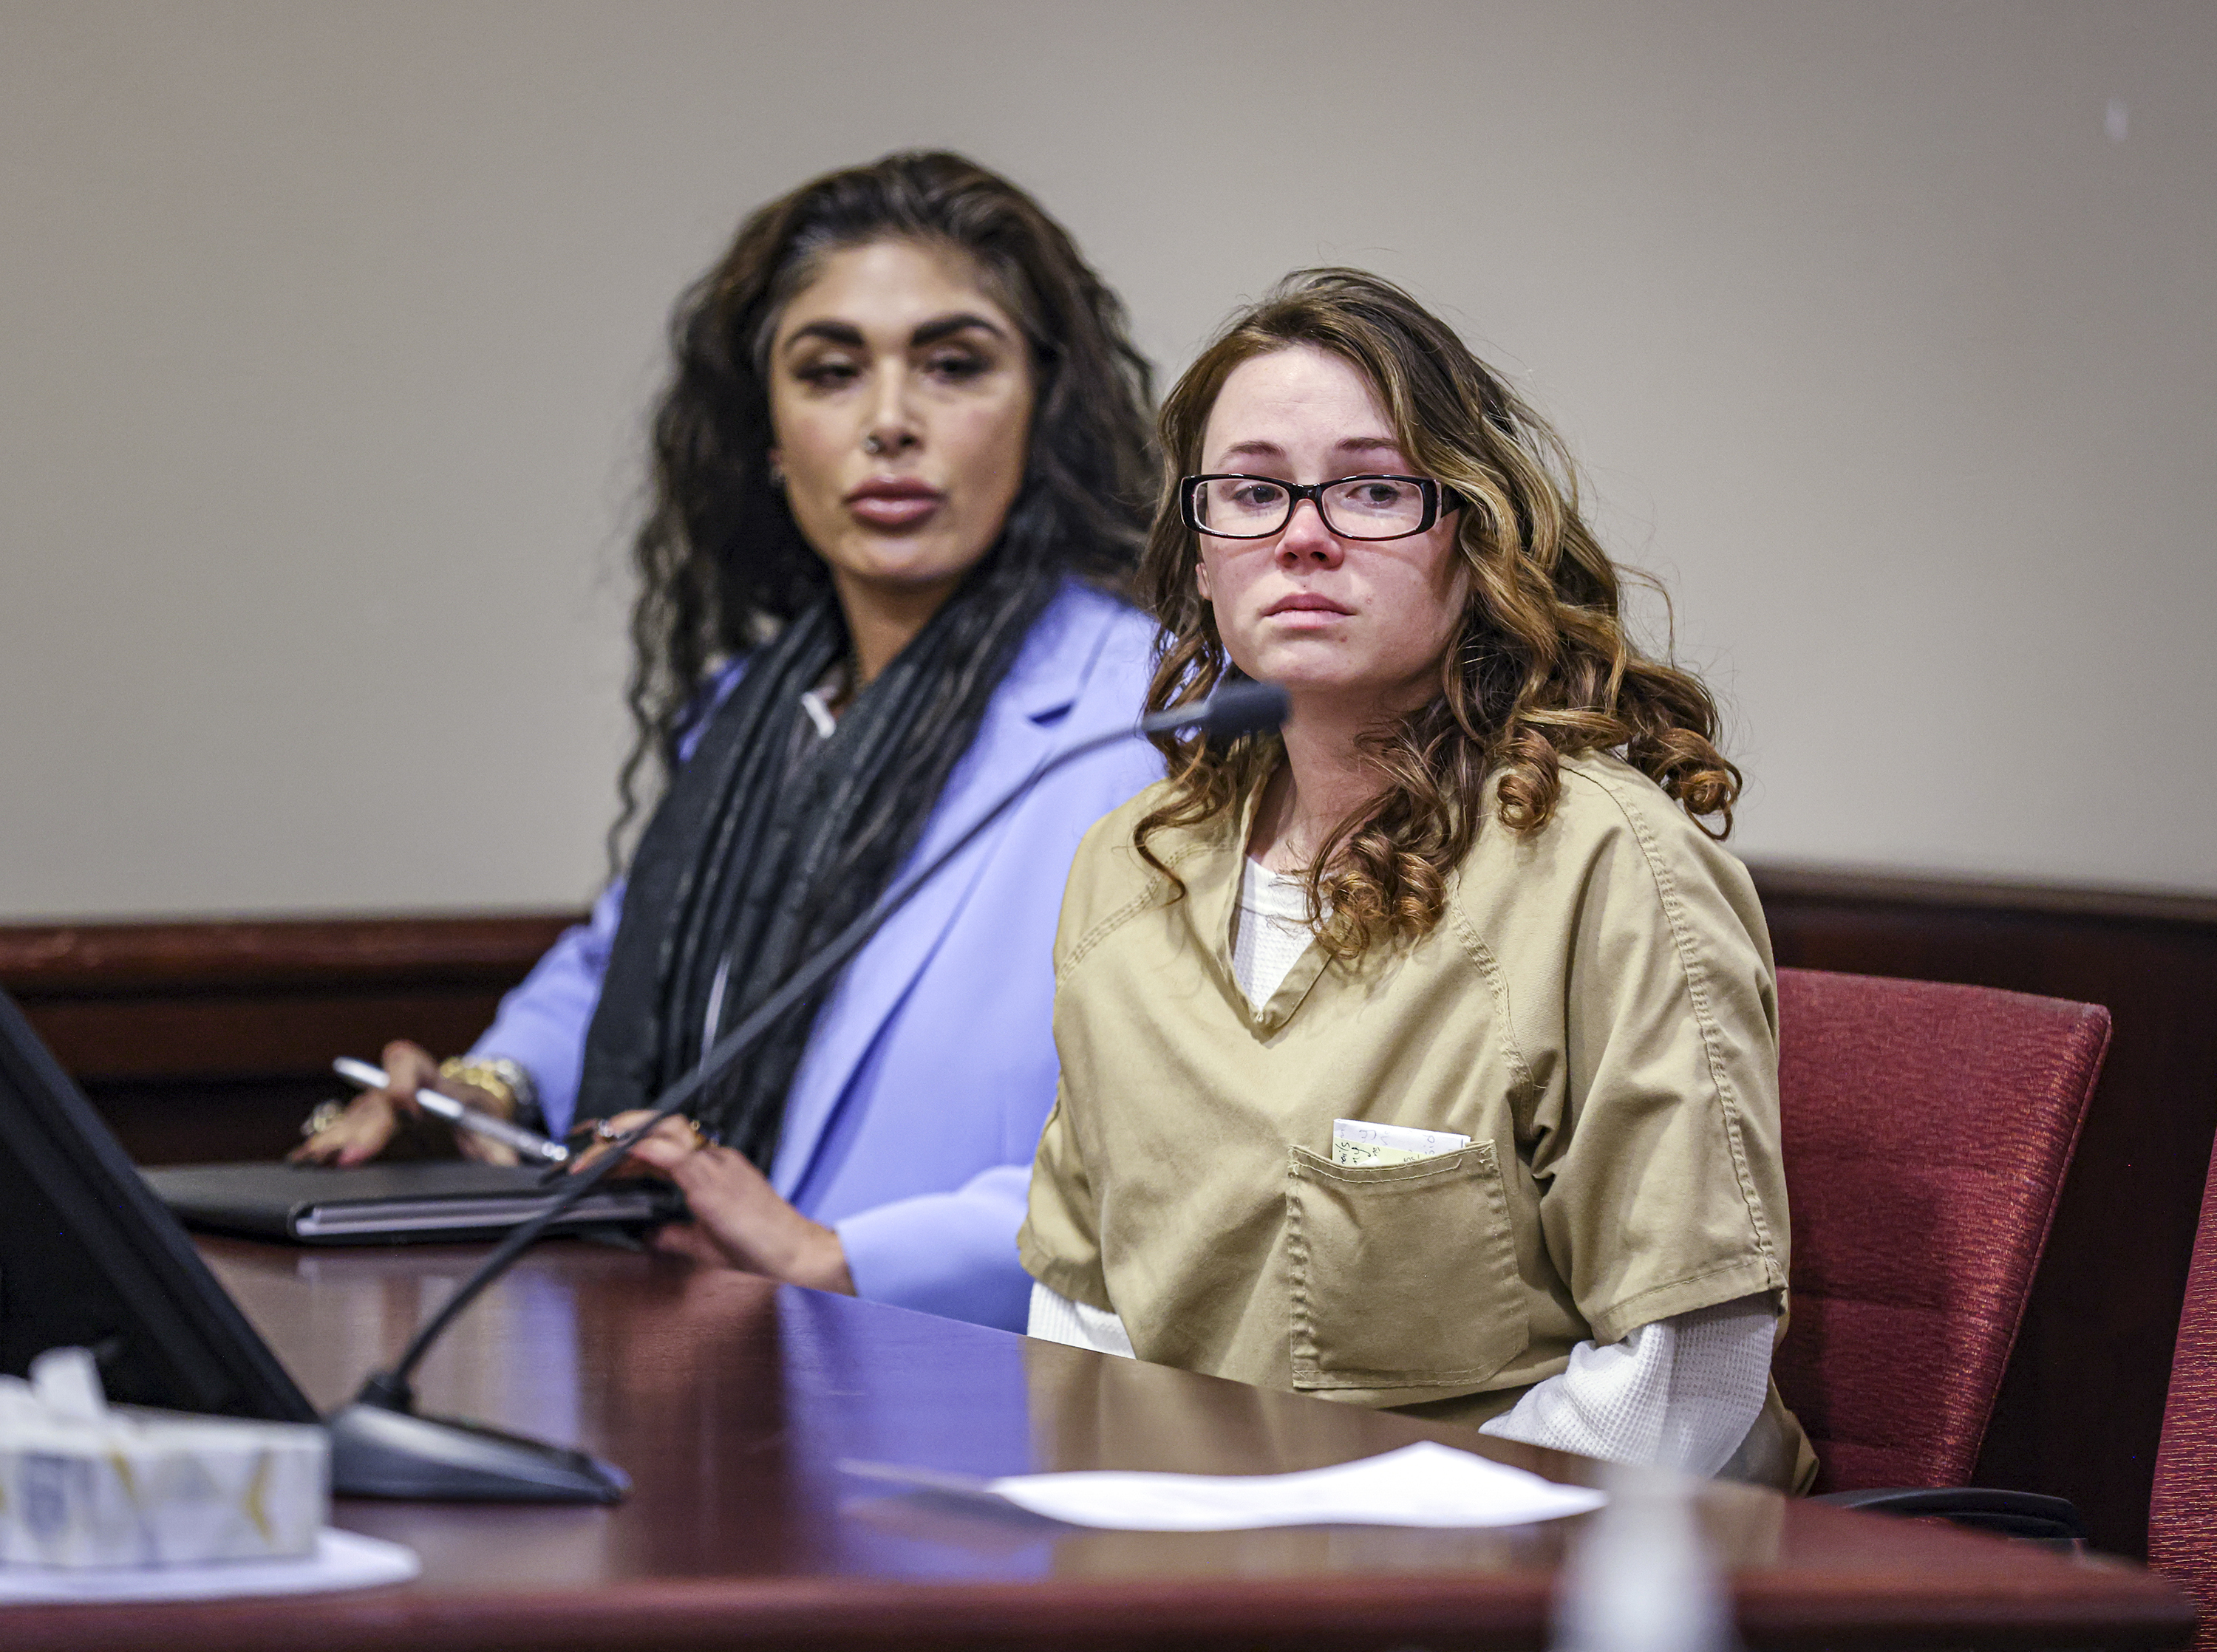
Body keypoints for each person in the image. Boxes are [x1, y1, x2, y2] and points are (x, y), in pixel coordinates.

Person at [292, 151, 1162, 1333]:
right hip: (681, 1347)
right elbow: (617, 965)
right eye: (830, 372)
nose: (890, 423)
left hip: (966, 1379)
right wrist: (481, 1090)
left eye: (954, 366)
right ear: (770, 432)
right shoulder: (753, 709)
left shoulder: (1151, 712)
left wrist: (843, 1256)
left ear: (1040, 412)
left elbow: (1187, 1139)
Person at [1018, 269, 1814, 1488]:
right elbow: (1084, 1325)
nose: (1303, 534)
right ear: (1200, 552)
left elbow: (1689, 1371)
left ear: (1474, 534)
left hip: (1522, 1573)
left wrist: (1367, 1547)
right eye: (1251, 491)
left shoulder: (1605, 861)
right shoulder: (1131, 867)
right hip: (1193, 1571)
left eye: (1374, 488)